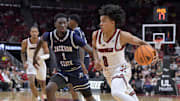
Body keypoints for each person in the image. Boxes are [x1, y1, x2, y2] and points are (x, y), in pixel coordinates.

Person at [92, 4, 157, 101]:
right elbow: (94, 47)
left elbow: (141, 42)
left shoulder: (122, 36)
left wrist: (154, 53)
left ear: (113, 23)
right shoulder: (96, 35)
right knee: (123, 97)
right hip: (108, 73)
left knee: (116, 92)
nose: (100, 23)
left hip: (121, 69)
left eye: (104, 21)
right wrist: (96, 59)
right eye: (100, 21)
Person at [33, 13, 96, 101]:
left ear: (67, 24)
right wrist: (34, 57)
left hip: (76, 71)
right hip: (62, 72)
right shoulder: (49, 35)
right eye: (60, 23)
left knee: (88, 96)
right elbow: (40, 41)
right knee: (49, 89)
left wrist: (97, 60)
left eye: (64, 23)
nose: (62, 25)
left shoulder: (73, 36)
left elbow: (87, 49)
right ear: (55, 24)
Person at [21, 26, 49, 101]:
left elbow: (48, 54)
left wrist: (40, 58)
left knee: (43, 85)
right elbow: (22, 53)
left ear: (38, 33)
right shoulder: (25, 42)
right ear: (30, 33)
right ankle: (37, 98)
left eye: (35, 32)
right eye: (32, 32)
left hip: (41, 64)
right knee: (31, 82)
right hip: (30, 63)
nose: (34, 33)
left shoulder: (42, 41)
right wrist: (24, 62)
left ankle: (44, 98)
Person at [68, 14, 89, 101]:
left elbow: (81, 47)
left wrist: (81, 62)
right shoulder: (75, 32)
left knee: (75, 86)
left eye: (69, 20)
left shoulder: (76, 32)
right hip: (78, 60)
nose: (68, 22)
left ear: (74, 22)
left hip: (81, 60)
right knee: (72, 85)